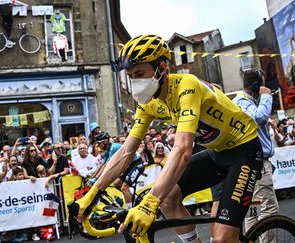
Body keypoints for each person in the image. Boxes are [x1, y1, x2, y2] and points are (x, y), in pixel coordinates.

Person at [74, 34, 263, 243]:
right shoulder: (148, 104)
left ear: (162, 68)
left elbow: (182, 150)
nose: (135, 82)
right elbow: (126, 152)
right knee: (168, 197)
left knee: (222, 240)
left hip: (244, 150)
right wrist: (92, 195)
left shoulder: (187, 86)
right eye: (131, 76)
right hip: (217, 153)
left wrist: (149, 203)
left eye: (140, 73)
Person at [231, 68, 279, 242]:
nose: (265, 89)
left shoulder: (245, 102)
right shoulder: (242, 101)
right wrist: (266, 96)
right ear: (257, 86)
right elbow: (259, 117)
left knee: (253, 210)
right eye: (263, 86)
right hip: (257, 164)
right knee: (269, 209)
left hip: (252, 162)